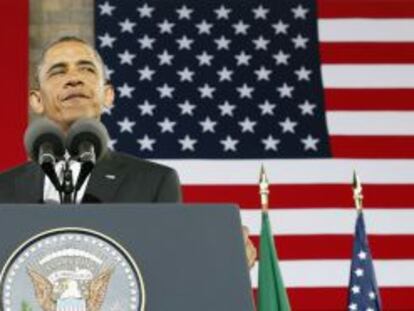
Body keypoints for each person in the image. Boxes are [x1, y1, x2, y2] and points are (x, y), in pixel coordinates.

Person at [0, 36, 256, 267]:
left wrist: (222, 256)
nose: (74, 78)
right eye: (58, 72)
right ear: (36, 100)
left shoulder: (154, 181)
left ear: (108, 95)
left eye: (87, 69)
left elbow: (170, 264)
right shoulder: (4, 187)